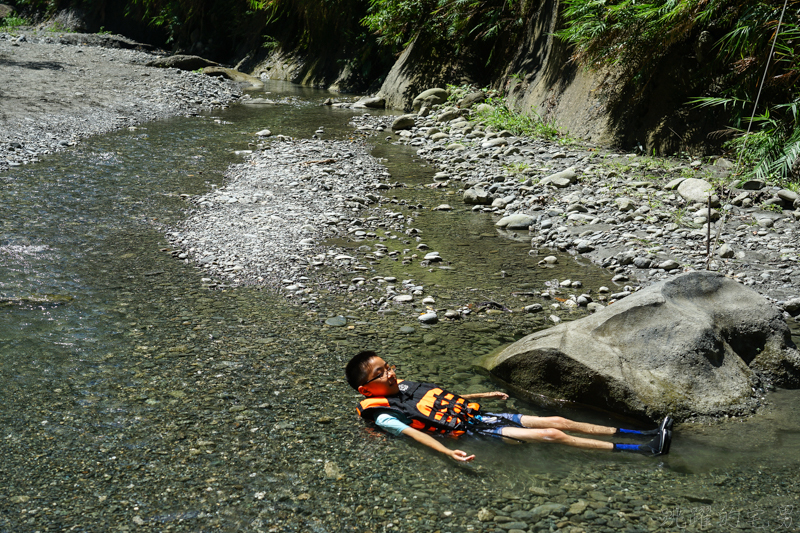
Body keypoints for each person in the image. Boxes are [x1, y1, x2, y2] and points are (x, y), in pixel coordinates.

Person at [345, 350, 672, 462]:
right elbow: (415, 433)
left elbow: (443, 400)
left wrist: (484, 397)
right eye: (380, 374)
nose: (390, 373)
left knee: (559, 419)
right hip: (472, 433)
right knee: (553, 435)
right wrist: (447, 453)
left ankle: (645, 430)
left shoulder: (403, 388)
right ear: (364, 388)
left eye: (387, 366)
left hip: (482, 415)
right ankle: (643, 450)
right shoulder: (382, 412)